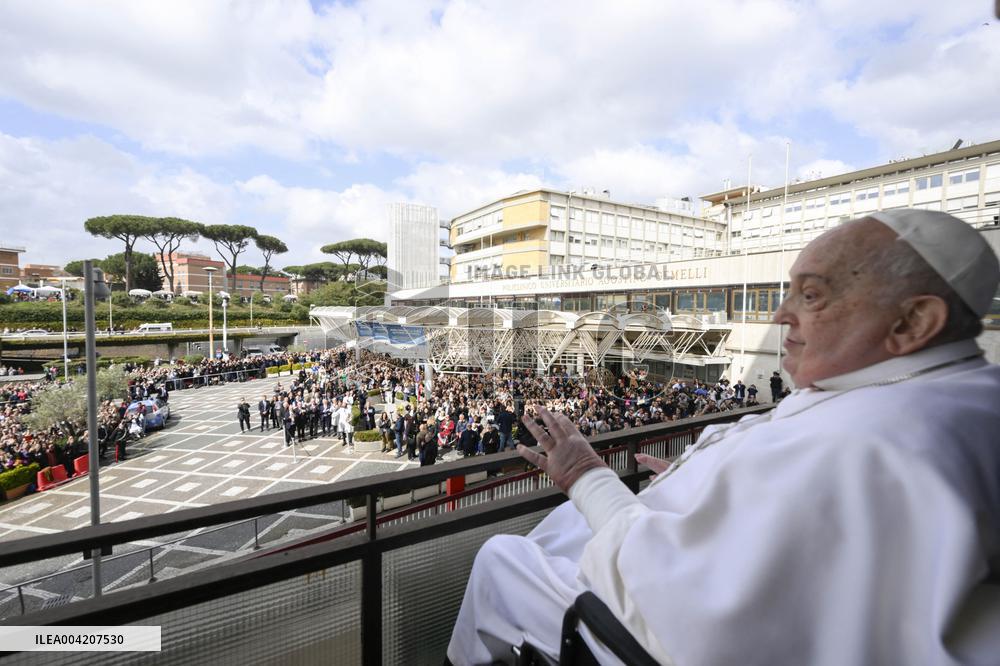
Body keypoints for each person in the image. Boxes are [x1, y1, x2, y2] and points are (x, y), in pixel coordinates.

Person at [447, 209, 1000, 665]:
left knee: (503, 557)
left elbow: (691, 608)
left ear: (913, 322)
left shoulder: (869, 439)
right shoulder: (951, 391)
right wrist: (706, 487)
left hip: (655, 634)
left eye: (811, 295)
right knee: (568, 524)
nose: (781, 314)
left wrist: (584, 475)